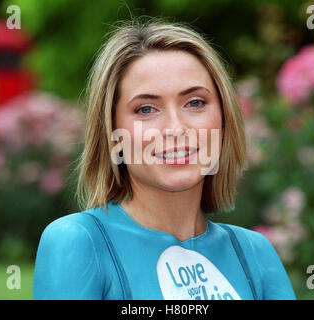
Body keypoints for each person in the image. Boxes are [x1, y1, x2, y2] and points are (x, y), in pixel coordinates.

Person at [33, 17, 296, 300]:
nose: (175, 128)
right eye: (146, 109)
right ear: (114, 136)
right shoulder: (78, 241)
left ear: (223, 121)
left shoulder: (255, 252)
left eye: (195, 103)